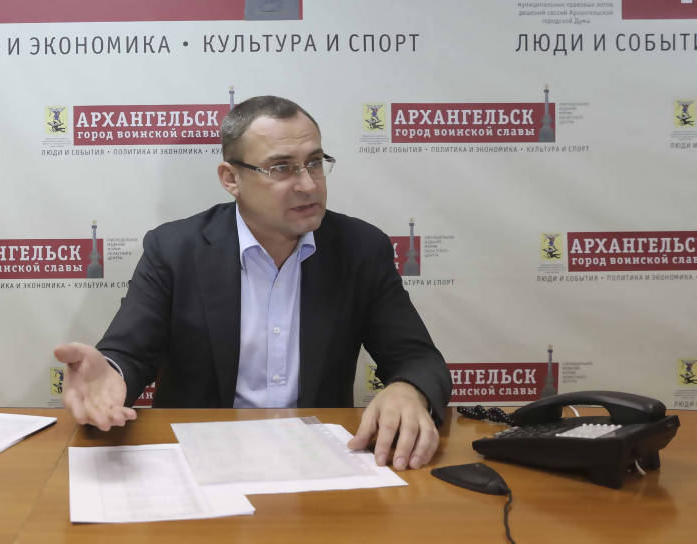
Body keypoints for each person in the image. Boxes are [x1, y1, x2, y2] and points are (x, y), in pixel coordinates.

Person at [54, 96, 451, 471]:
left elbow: (418, 358)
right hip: (202, 457)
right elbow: (129, 353)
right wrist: (111, 372)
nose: (308, 184)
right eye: (281, 168)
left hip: (318, 461)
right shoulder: (175, 250)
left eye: (314, 163)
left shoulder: (360, 249)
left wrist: (409, 389)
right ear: (231, 178)